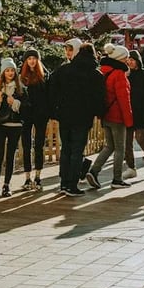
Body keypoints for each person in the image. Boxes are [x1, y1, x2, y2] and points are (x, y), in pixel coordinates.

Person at [49, 40, 104, 196]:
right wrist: (98, 113)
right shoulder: (95, 74)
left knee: (66, 149)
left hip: (65, 116)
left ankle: (64, 183)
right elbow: (99, 98)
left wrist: (55, 111)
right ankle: (72, 185)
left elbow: (52, 90)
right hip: (83, 118)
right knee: (77, 151)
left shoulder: (64, 70)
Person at [87, 47, 133, 190]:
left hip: (105, 114)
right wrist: (129, 120)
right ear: (120, 58)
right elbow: (124, 99)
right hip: (117, 116)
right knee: (120, 148)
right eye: (126, 57)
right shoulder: (119, 74)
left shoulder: (104, 71)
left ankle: (94, 171)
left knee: (109, 146)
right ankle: (117, 179)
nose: (128, 60)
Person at [0, 57, 25, 197]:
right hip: (0, 124)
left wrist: (15, 102)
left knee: (10, 156)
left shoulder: (20, 87)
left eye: (12, 70)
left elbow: (27, 107)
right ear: (3, 72)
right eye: (7, 70)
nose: (10, 73)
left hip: (15, 125)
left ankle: (7, 185)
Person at [18, 49, 52, 191]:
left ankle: (38, 176)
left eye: (34, 58)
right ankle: (27, 177)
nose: (31, 61)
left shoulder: (44, 76)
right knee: (26, 145)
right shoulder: (21, 77)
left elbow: (49, 96)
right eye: (29, 58)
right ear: (26, 61)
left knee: (39, 145)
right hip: (26, 114)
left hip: (40, 114)